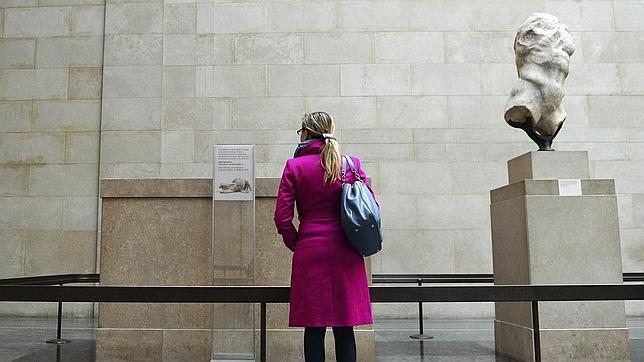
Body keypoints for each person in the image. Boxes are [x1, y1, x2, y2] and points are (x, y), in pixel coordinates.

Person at [274, 112, 377, 362]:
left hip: (310, 251)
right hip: (346, 251)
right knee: (345, 328)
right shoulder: (350, 164)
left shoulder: (294, 167)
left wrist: (296, 242)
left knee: (314, 328)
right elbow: (370, 206)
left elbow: (282, 217)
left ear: (306, 133)